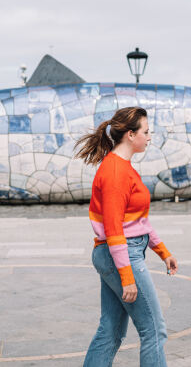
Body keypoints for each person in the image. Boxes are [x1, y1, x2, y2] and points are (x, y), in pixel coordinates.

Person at [75, 106, 178, 367]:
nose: (150, 137)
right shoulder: (115, 172)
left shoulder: (123, 167)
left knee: (111, 330)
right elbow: (114, 228)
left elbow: (137, 220)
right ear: (130, 135)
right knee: (154, 330)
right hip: (120, 255)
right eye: (146, 131)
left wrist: (162, 251)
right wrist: (127, 277)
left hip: (120, 253)